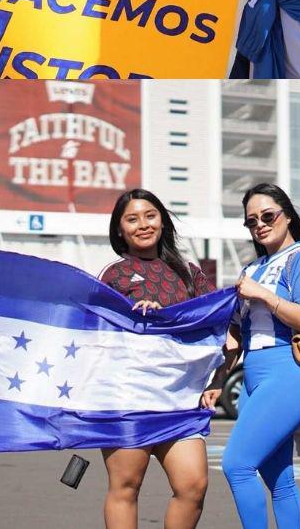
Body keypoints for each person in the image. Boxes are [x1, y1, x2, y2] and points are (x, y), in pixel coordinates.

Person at [200, 184, 300, 529]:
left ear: (287, 215)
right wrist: (219, 379)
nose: (260, 224)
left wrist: (264, 296)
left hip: (289, 373)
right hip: (255, 376)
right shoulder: (252, 268)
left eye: (268, 216)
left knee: (237, 465)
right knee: (279, 479)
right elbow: (237, 335)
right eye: (251, 221)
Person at [97, 189, 214, 529]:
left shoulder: (191, 273)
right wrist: (137, 319)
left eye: (150, 215)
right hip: (129, 396)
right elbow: (95, 332)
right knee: (126, 487)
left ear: (162, 220)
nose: (143, 224)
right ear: (120, 230)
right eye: (132, 219)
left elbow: (213, 326)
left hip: (181, 398)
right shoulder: (113, 274)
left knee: (193, 486)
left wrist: (213, 381)